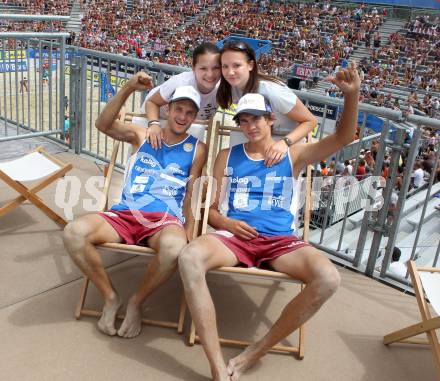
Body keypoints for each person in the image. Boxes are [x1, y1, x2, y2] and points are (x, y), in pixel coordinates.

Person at [178, 62, 360, 381]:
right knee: (190, 258)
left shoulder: (293, 154)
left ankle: (255, 352)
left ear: (271, 119)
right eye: (244, 121)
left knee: (329, 278)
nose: (250, 126)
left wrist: (352, 97)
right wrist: (228, 224)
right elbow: (213, 210)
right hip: (234, 237)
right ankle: (216, 363)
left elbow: (343, 137)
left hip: (280, 241)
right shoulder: (227, 156)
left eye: (256, 119)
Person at [63, 73, 207, 338]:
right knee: (73, 232)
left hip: (165, 220)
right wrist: (129, 88)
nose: (183, 116)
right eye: (178, 109)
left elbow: (192, 190)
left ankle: (136, 301)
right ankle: (110, 297)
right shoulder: (142, 134)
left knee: (175, 247)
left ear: (194, 117)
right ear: (168, 109)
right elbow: (103, 124)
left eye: (189, 113)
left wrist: (191, 227)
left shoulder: (197, 148)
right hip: (126, 213)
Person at [216, 40, 317, 167]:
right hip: (260, 138)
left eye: (236, 65)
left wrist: (285, 142)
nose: (230, 72)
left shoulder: (273, 91)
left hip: (285, 141)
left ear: (250, 65)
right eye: (225, 66)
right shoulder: (233, 86)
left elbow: (310, 121)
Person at [142, 42, 221, 148]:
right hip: (155, 116)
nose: (210, 74)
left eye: (216, 68)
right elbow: (151, 102)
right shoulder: (180, 82)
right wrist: (154, 123)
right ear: (193, 67)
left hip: (185, 122)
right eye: (203, 68)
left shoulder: (224, 88)